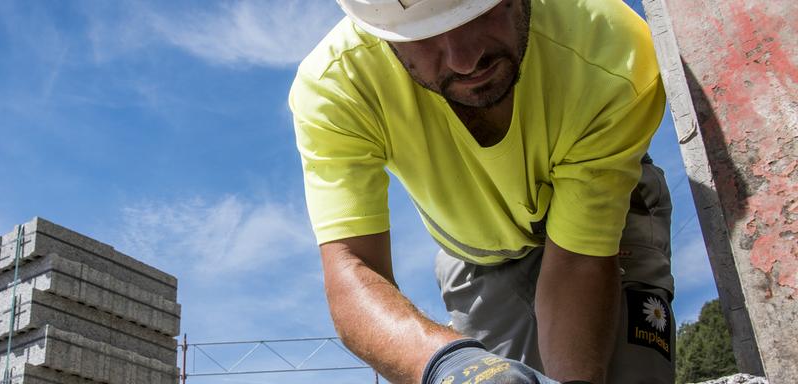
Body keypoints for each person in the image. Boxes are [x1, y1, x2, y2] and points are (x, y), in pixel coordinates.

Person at [288, 0, 675, 383]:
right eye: (422, 36)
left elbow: (580, 259)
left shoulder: (611, 51)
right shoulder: (335, 86)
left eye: (479, 14)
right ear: (380, 33)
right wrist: (449, 365)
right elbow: (354, 267)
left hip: (613, 221)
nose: (465, 59)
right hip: (478, 256)